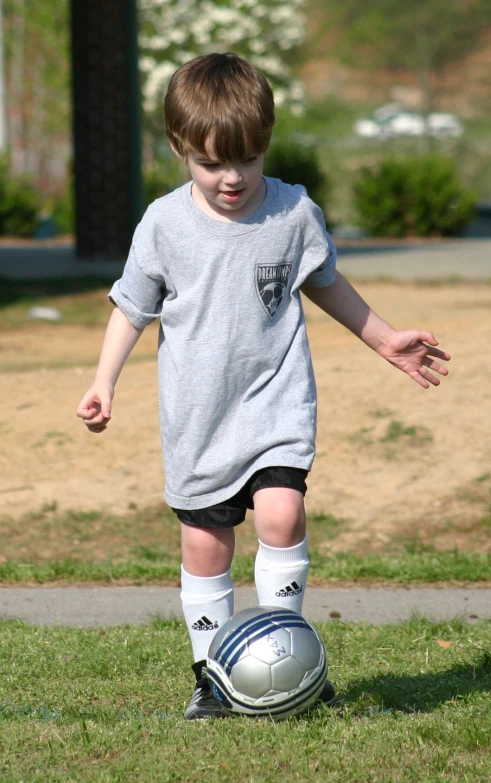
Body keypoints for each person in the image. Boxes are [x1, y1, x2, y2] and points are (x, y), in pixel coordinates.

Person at [76, 52, 450, 720]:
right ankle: (214, 678)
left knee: (282, 513)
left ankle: (289, 653)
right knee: (206, 545)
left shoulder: (293, 212)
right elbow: (131, 306)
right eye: (212, 162)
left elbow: (327, 283)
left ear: (265, 147)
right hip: (199, 417)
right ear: (178, 148)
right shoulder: (163, 225)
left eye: (246, 160)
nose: (231, 177)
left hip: (275, 404)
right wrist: (104, 380)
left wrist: (386, 339)